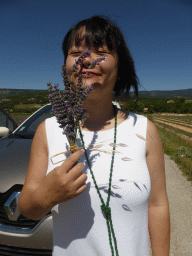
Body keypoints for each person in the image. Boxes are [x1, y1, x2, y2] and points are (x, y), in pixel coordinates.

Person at [18, 15, 170, 255]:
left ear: (119, 69)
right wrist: (46, 196)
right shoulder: (47, 131)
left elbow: (158, 205)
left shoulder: (144, 130)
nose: (86, 59)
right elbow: (26, 208)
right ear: (66, 68)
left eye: (101, 51)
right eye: (76, 51)